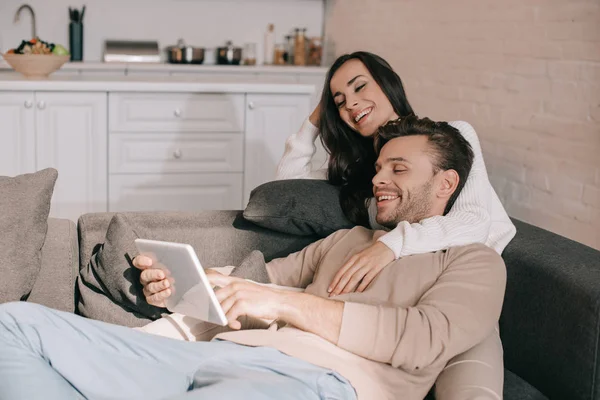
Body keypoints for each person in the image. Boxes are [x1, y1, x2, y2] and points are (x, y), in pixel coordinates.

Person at [0, 116, 506, 400]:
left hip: (313, 383)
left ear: (446, 184)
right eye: (378, 167)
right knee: (12, 324)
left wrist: (288, 305)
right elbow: (257, 282)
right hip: (213, 355)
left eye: (399, 168)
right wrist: (183, 285)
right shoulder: (351, 239)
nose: (379, 179)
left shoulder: (474, 262)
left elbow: (421, 339)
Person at [276, 52, 515, 399]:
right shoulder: (364, 172)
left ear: (388, 85)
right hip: (400, 293)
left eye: (360, 87)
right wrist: (318, 116)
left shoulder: (449, 140)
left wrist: (390, 244)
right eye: (340, 101)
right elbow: (285, 187)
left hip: (460, 291)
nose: (352, 104)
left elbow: (475, 222)